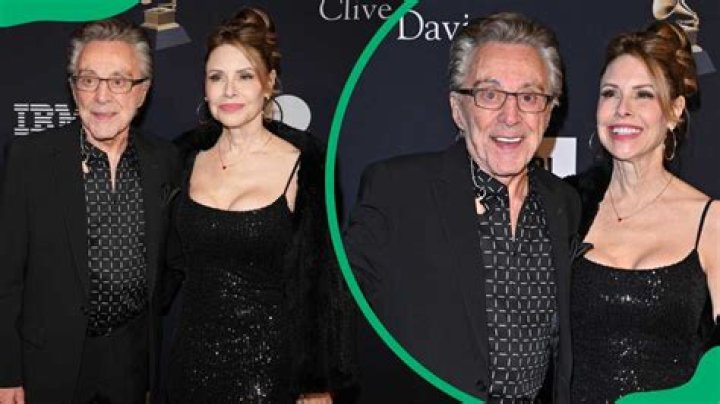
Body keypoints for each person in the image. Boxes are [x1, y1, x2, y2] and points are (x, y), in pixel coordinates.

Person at [344, 12, 581, 402]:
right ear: (458, 108)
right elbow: (335, 312)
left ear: (549, 110)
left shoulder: (564, 203)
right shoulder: (397, 191)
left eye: (529, 97)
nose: (510, 116)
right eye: (489, 94)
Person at [163, 8, 356, 403]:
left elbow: (323, 283)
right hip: (189, 365)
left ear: (269, 83)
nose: (229, 91)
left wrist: (318, 383)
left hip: (272, 373)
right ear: (205, 88)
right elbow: (161, 268)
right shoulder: (181, 158)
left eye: (245, 76)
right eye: (217, 77)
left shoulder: (308, 164)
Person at [0, 19, 181, 404]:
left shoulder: (165, 161)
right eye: (88, 80)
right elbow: (6, 278)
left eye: (118, 81)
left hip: (132, 361)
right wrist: (6, 373)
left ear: (142, 91)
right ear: (73, 88)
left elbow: (171, 263)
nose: (101, 96)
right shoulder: (30, 160)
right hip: (47, 363)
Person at [567, 21, 719, 403]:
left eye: (643, 95)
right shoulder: (566, 205)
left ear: (674, 111)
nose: (623, 110)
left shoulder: (711, 222)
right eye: (610, 93)